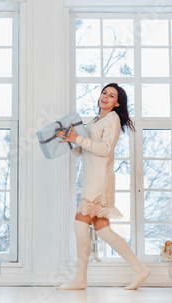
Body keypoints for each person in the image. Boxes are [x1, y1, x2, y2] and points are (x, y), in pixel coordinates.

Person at [55, 83, 150, 290]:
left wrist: (78, 138)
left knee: (80, 225)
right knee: (104, 230)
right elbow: (83, 152)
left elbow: (106, 149)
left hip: (99, 181)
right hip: (93, 179)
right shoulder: (95, 121)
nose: (105, 96)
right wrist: (71, 142)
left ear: (117, 103)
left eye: (111, 95)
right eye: (104, 92)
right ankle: (140, 269)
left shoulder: (112, 119)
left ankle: (80, 278)